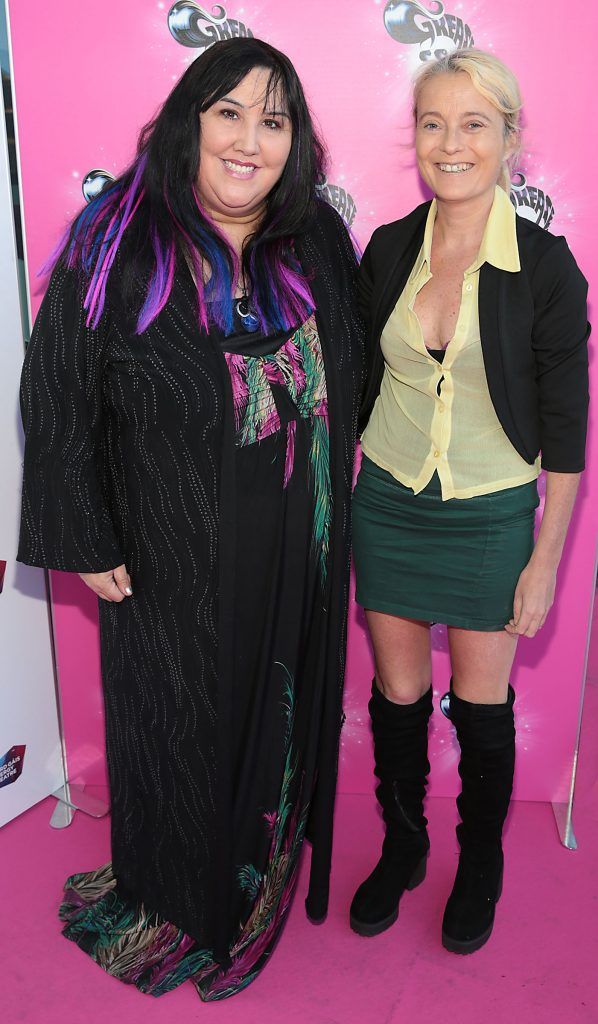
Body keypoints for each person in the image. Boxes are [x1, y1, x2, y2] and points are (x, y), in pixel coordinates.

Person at [18, 37, 364, 1000]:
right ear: (190, 120)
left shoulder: (317, 241)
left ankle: (254, 894)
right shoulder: (115, 242)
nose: (252, 140)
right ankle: (175, 907)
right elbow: (55, 393)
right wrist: (83, 533)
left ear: (295, 143)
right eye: (231, 113)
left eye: (275, 119)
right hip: (169, 550)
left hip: (298, 545)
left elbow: (358, 372)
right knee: (173, 727)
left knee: (278, 719)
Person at [350, 48, 589, 954]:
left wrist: (544, 561)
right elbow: (358, 380)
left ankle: (477, 865)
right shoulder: (388, 248)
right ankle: (403, 846)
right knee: (397, 693)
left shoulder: (545, 267)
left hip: (491, 513)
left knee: (481, 710)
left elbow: (566, 432)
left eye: (474, 124)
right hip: (390, 503)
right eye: (433, 123)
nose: (451, 144)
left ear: (509, 139)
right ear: (416, 137)